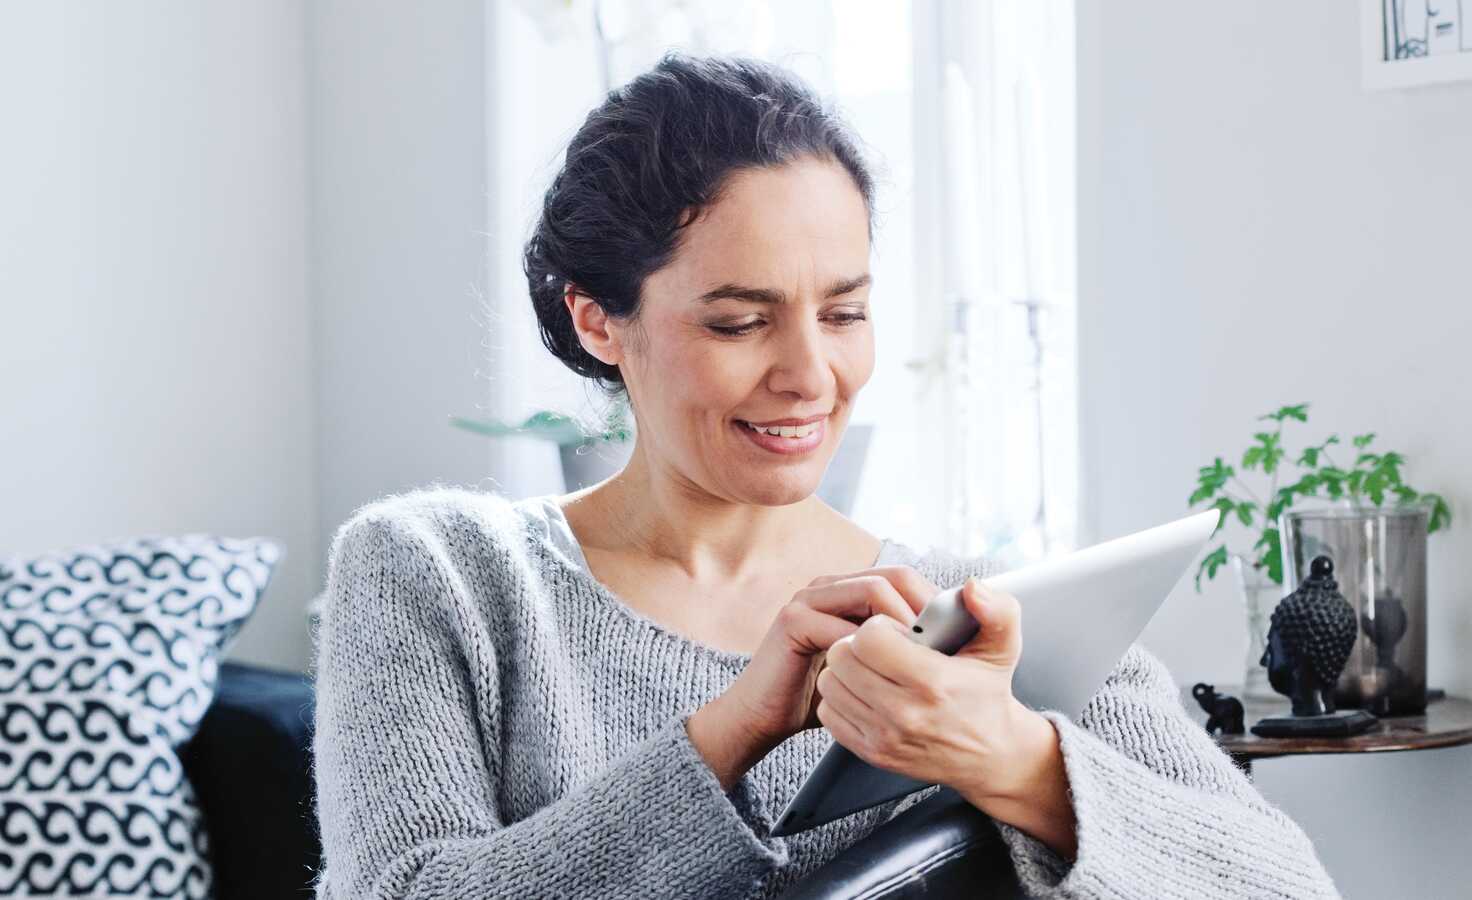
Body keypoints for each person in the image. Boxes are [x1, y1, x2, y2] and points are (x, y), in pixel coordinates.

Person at [310, 52, 1340, 899]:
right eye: (739, 320)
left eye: (843, 312)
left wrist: (1016, 763)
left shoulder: (969, 618)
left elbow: (1289, 889)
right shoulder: (440, 575)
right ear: (598, 319)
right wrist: (731, 732)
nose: (810, 376)